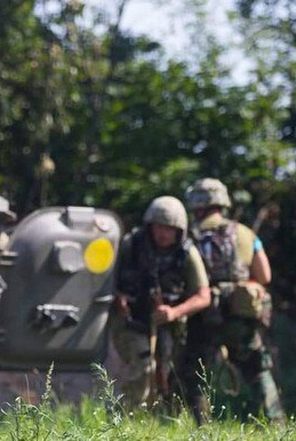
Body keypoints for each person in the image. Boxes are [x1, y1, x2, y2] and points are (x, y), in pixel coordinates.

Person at [184, 178, 284, 423]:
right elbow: (264, 276)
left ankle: (203, 429)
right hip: (240, 316)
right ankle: (277, 424)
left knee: (196, 375)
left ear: (196, 204)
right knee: (257, 369)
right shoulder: (245, 233)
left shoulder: (190, 236)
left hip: (203, 315)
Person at [112, 196, 211, 411]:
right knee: (142, 366)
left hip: (170, 325)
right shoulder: (132, 245)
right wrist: (118, 296)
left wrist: (174, 312)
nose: (162, 233)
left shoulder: (187, 254)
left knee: (168, 375)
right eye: (158, 227)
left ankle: (161, 420)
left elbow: (204, 296)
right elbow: (108, 280)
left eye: (169, 228)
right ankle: (121, 420)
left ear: (179, 231)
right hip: (132, 321)